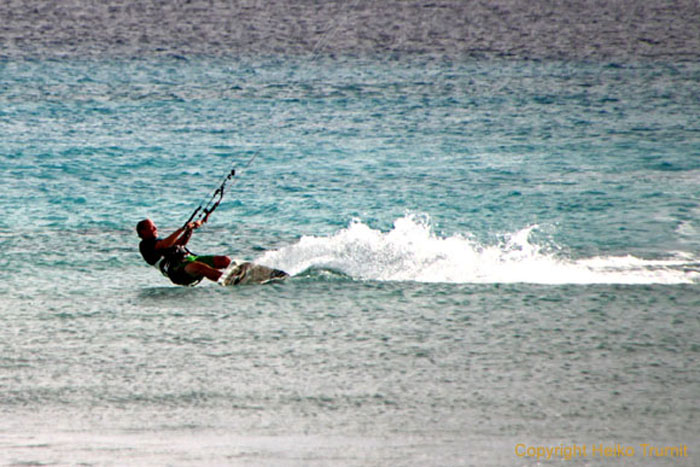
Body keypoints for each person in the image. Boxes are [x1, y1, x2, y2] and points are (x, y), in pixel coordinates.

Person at [136, 218, 231, 286]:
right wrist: (182, 228)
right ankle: (229, 281)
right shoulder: (144, 245)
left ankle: (237, 272)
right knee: (198, 267)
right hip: (176, 271)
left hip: (188, 259)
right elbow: (165, 244)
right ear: (143, 231)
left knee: (223, 260)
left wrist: (189, 230)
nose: (155, 229)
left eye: (154, 226)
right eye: (151, 227)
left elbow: (180, 244)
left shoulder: (158, 241)